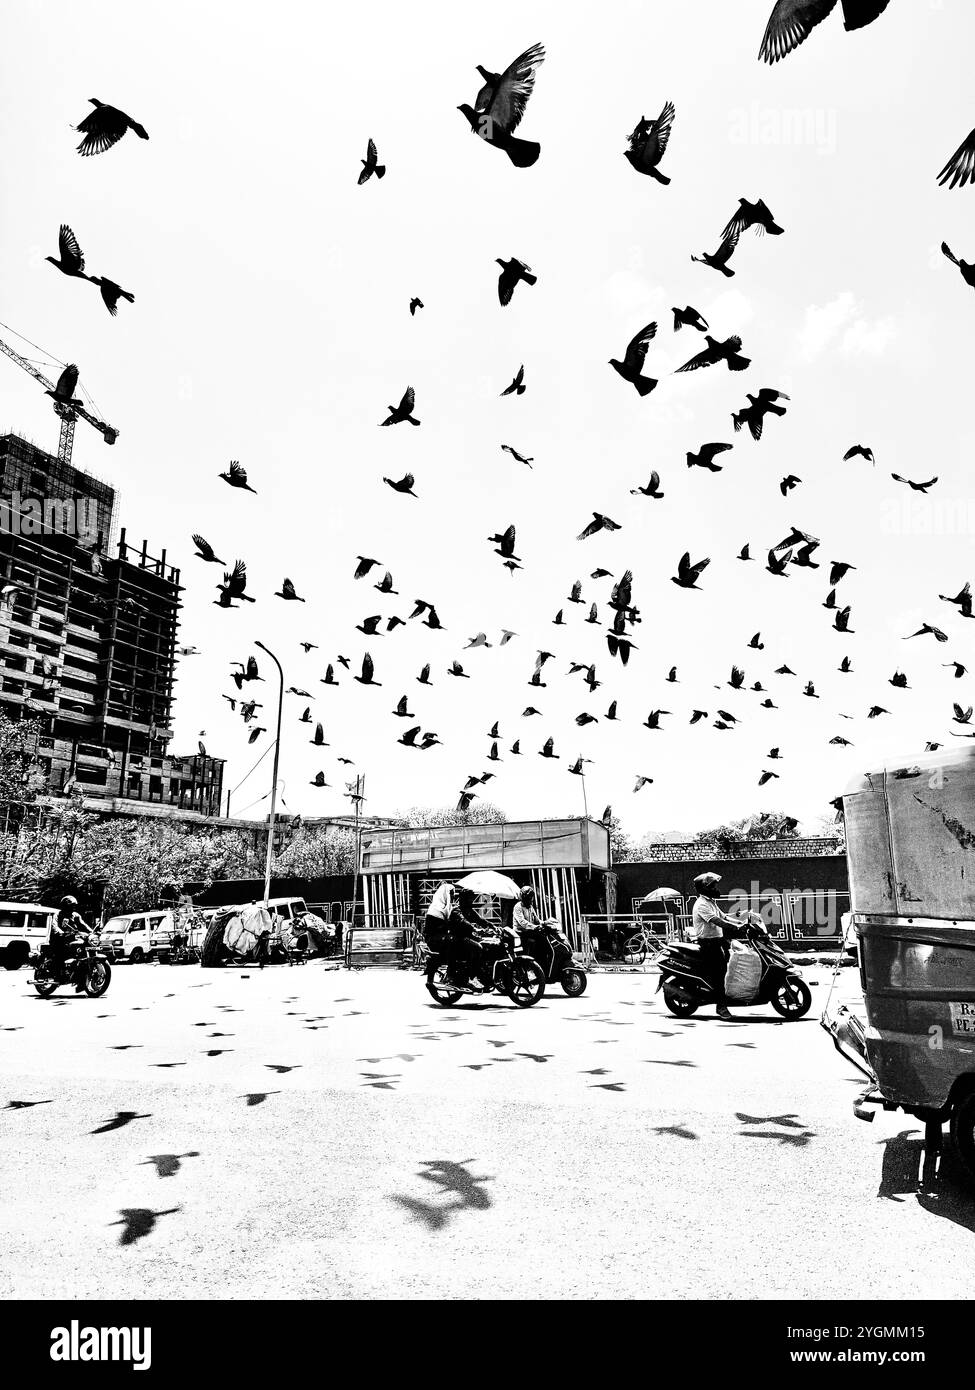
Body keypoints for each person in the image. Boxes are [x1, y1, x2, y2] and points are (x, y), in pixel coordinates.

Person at [688, 872, 743, 1020]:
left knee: (730, 968)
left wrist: (742, 922)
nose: (715, 888)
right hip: (708, 944)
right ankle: (721, 1007)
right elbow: (716, 921)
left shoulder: (711, 902)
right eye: (712, 886)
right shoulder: (701, 904)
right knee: (720, 974)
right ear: (704, 888)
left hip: (718, 941)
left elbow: (724, 917)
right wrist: (735, 928)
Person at [48, 895, 91, 987]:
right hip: (59, 939)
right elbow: (54, 925)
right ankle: (59, 975)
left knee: (83, 948)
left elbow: (83, 925)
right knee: (60, 955)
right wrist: (59, 932)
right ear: (65, 906)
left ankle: (79, 973)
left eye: (74, 906)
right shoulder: (58, 914)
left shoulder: (76, 915)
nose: (73, 907)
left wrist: (92, 932)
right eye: (71, 906)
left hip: (72, 938)